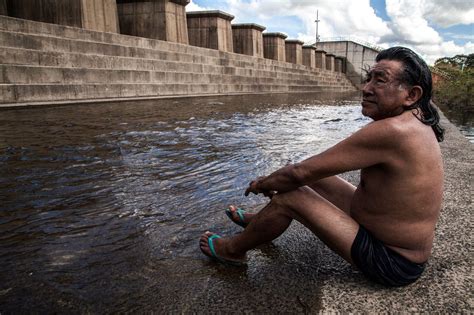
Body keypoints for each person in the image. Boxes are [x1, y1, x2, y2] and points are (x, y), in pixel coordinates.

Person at [199, 46, 445, 287]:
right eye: (368, 78)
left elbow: (299, 174)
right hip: (383, 230)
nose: (365, 88)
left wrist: (262, 184)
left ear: (411, 95)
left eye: (379, 81)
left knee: (292, 194)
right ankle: (260, 221)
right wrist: (282, 177)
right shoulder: (415, 121)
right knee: (305, 176)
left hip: (393, 261)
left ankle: (232, 251)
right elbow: (310, 169)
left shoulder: (393, 131)